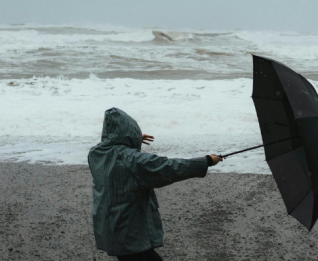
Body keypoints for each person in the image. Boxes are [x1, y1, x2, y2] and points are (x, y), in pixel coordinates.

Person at [88, 107, 223, 260]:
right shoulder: (131, 160)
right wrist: (205, 161)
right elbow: (168, 167)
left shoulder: (95, 154)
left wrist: (134, 139)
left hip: (110, 224)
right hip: (128, 228)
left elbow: (112, 147)